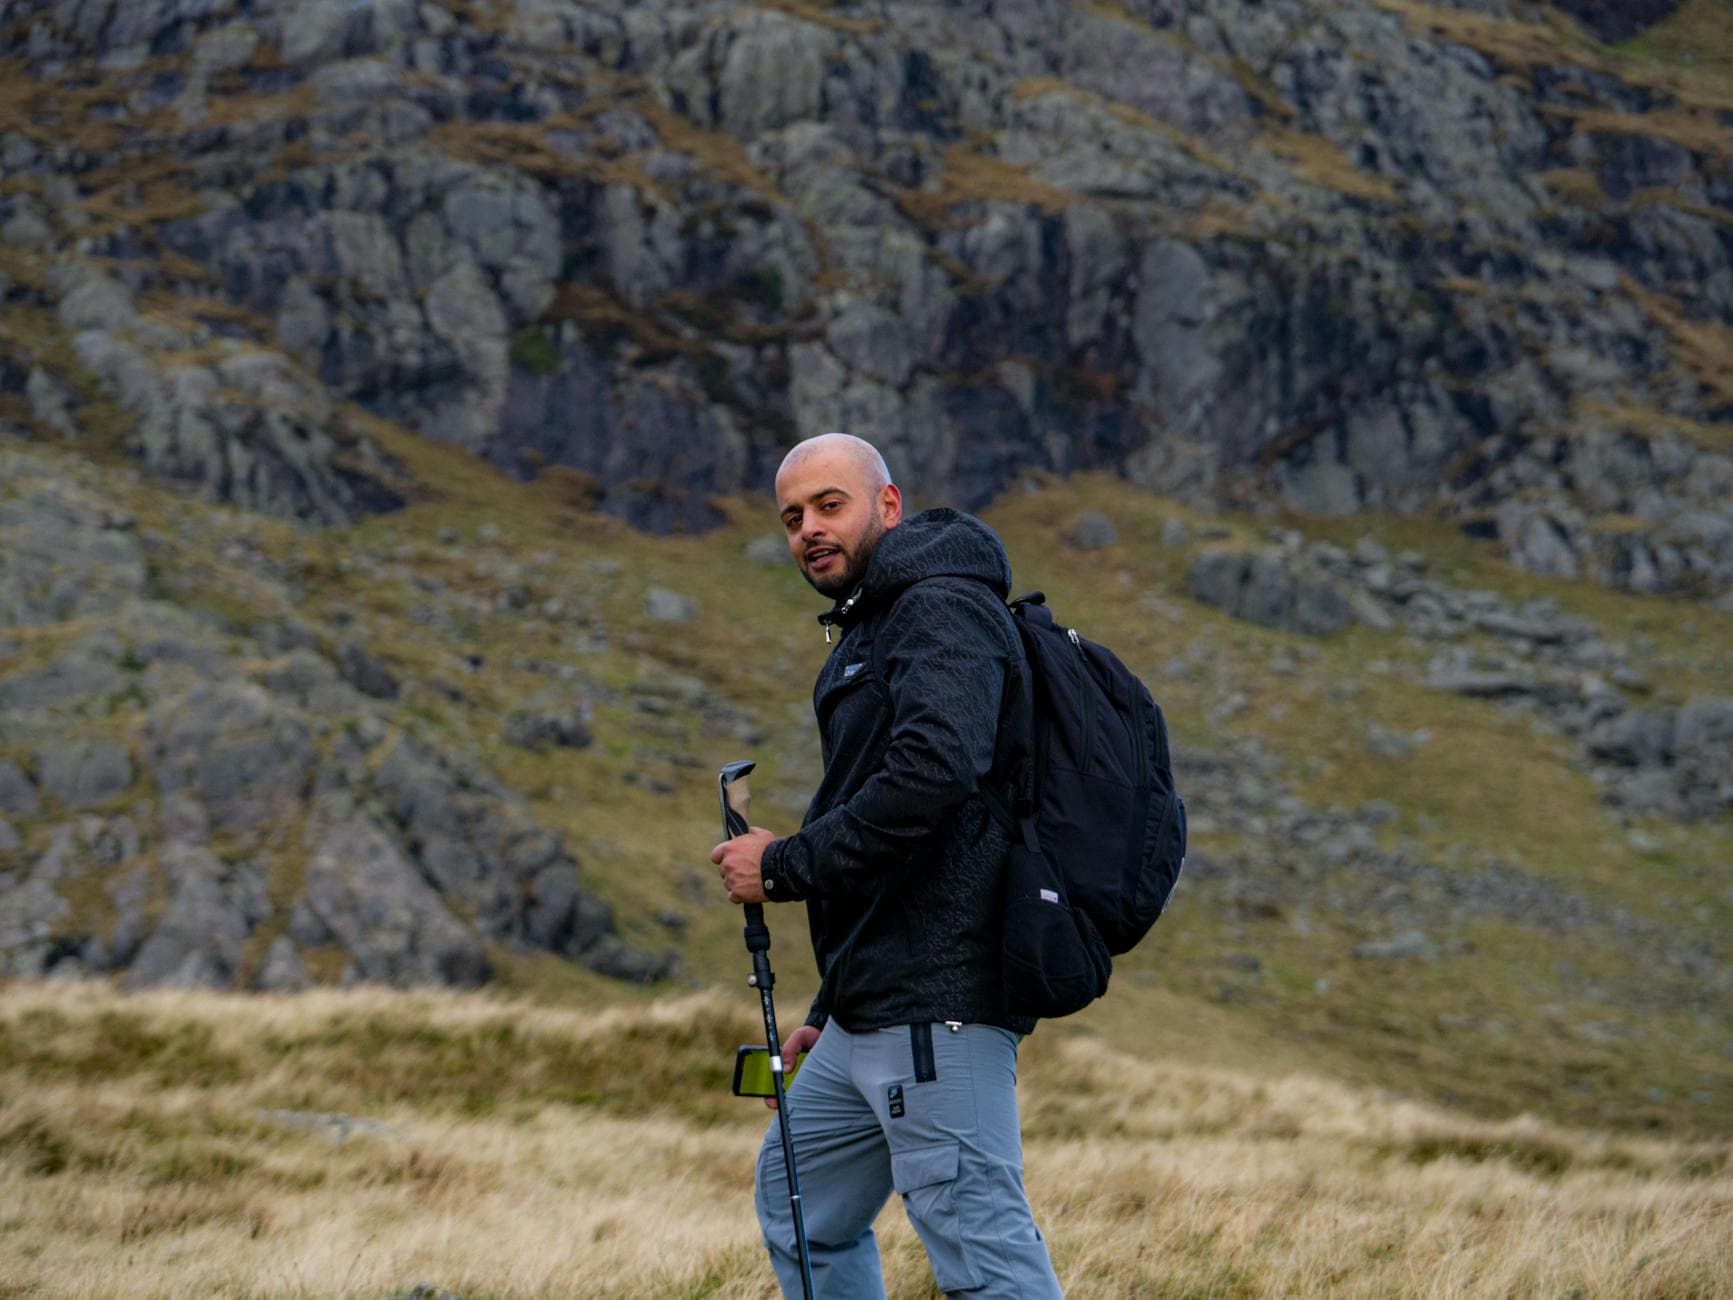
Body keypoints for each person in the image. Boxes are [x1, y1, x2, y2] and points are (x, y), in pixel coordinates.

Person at [711, 433, 1065, 1298]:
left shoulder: (941, 604)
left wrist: (784, 865)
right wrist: (832, 1010)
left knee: (978, 1247)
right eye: (792, 518)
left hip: (940, 1005)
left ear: (889, 505)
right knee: (803, 1207)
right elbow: (885, 834)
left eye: (829, 505)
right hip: (868, 1012)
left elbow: (934, 775)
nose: (808, 531)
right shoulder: (874, 625)